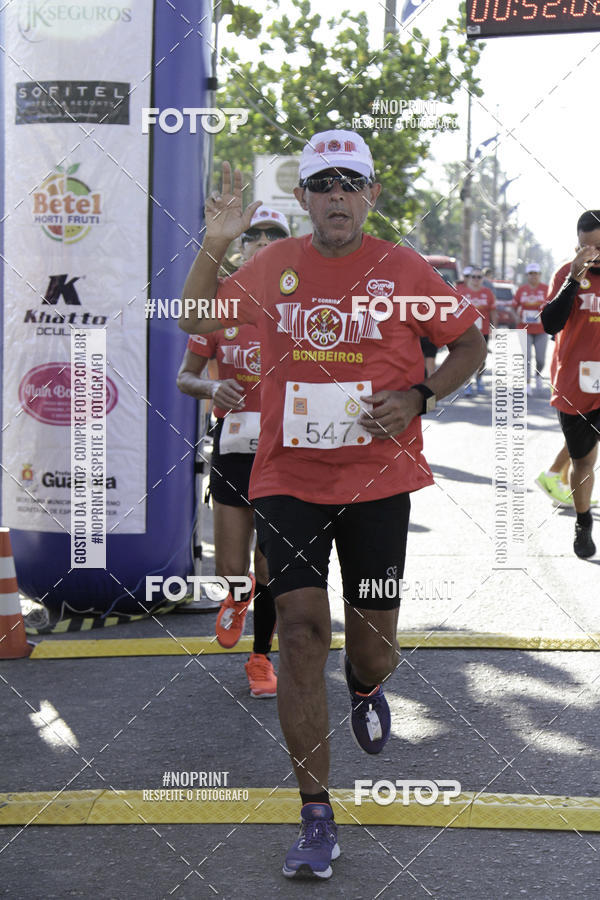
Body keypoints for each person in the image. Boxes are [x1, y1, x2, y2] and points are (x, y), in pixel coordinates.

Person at [180, 129, 485, 879]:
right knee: (301, 629)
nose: (337, 196)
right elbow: (192, 321)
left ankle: (367, 682)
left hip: (379, 480)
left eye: (351, 183)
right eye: (324, 184)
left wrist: (420, 394)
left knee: (371, 642)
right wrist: (215, 244)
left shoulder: (406, 268)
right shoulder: (272, 266)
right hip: (288, 478)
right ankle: (316, 813)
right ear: (306, 199)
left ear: (370, 195)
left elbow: (470, 345)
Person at [177, 206, 290, 697]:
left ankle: (261, 658)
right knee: (231, 569)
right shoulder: (220, 306)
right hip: (235, 448)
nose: (263, 241)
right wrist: (210, 389)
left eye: (274, 235)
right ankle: (236, 598)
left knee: (268, 566)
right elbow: (185, 376)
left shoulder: (302, 304)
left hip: (287, 452)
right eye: (255, 234)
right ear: (242, 246)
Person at [541, 209, 600, 558]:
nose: (592, 253)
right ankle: (583, 521)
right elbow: (550, 323)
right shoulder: (567, 273)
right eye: (585, 247)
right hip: (575, 384)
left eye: (598, 247)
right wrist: (574, 278)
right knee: (583, 462)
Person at [513, 263, 549, 394]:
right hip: (524, 328)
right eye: (531, 274)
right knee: (526, 356)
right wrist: (516, 316)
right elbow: (513, 305)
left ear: (540, 275)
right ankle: (527, 384)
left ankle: (538, 375)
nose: (533, 276)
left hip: (541, 329)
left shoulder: (546, 289)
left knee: (540, 359)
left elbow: (553, 305)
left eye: (536, 274)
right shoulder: (521, 290)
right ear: (527, 276)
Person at [461, 266, 497, 394]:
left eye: (479, 277)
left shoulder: (487, 293)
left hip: (483, 331)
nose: (476, 279)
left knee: (482, 357)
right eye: (473, 277)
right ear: (469, 278)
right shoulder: (462, 293)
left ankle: (479, 378)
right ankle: (468, 384)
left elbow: (493, 312)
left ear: (483, 279)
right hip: (466, 331)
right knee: (467, 357)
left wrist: (494, 328)